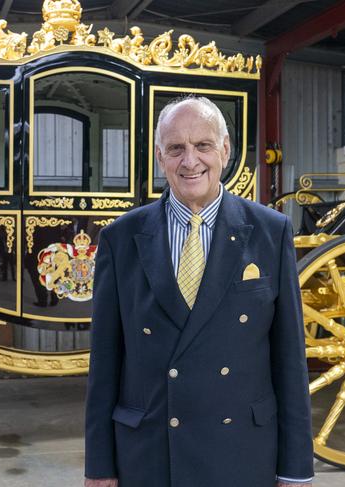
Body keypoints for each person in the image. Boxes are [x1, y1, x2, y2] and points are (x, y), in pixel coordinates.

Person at [84, 96, 314, 487]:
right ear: (160, 157)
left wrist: (295, 470)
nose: (190, 161)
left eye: (202, 145)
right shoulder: (120, 239)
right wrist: (100, 467)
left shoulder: (270, 232)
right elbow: (105, 363)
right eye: (176, 148)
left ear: (225, 150)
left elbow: (289, 360)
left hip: (242, 451)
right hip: (150, 454)